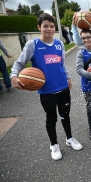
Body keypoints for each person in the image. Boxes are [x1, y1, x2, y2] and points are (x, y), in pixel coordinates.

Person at [10, 13, 82, 160]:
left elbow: (61, 64)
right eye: (45, 26)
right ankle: (54, 144)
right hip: (47, 91)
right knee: (51, 118)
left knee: (65, 115)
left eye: (51, 26)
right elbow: (19, 63)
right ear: (39, 27)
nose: (49, 29)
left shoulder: (59, 43)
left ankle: (69, 138)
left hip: (63, 87)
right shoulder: (33, 45)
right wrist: (13, 76)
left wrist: (68, 77)